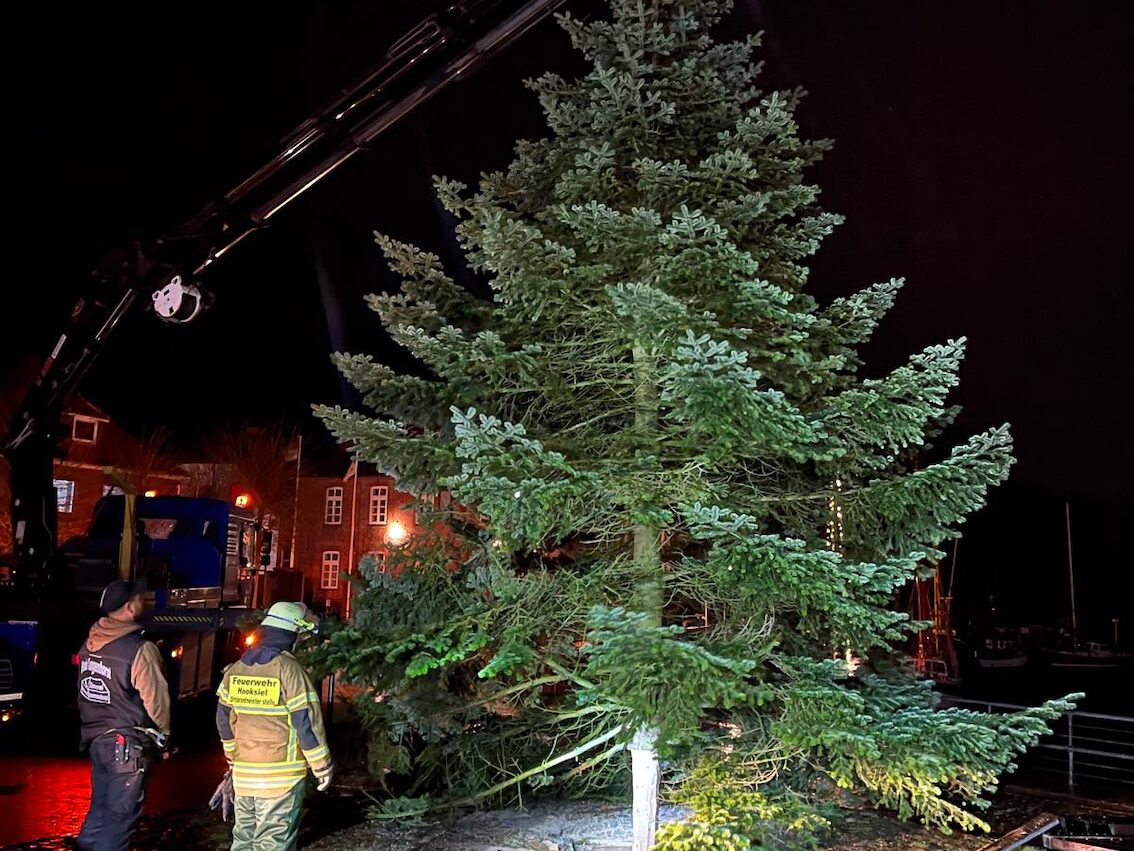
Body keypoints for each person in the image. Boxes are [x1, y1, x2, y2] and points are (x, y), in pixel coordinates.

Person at [216, 601, 333, 851]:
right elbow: (307, 724)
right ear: (291, 633)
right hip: (281, 779)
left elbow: (224, 721)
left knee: (244, 840)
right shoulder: (289, 670)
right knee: (273, 843)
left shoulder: (236, 670)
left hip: (245, 776)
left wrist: (232, 759)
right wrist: (322, 766)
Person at [76, 578, 172, 851]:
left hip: (96, 739)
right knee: (119, 819)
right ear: (130, 608)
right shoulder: (139, 650)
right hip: (126, 746)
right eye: (142, 599)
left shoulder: (92, 642)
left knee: (101, 810)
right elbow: (156, 701)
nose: (146, 602)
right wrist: (164, 736)